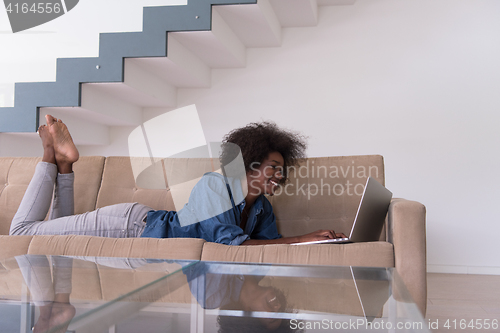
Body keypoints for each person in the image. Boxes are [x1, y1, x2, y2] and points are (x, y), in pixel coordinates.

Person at [10, 114, 345, 244]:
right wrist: (303, 238)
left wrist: (316, 239)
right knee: (23, 234)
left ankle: (65, 164)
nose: (278, 175)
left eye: (281, 169)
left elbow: (268, 249)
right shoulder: (216, 187)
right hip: (132, 227)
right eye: (272, 166)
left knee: (54, 241)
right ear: (248, 164)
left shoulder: (263, 211)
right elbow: (231, 245)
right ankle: (49, 156)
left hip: (136, 229)